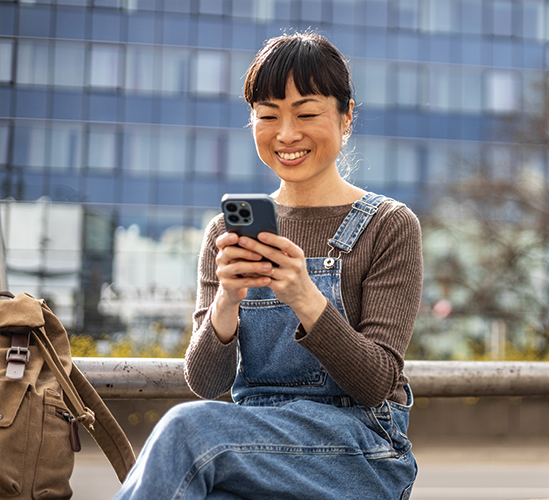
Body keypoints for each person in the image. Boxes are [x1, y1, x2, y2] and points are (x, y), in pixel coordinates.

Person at [113, 31, 423, 500]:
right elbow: (205, 382)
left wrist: (305, 297)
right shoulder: (226, 232)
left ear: (346, 118)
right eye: (268, 115)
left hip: (360, 449)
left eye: (306, 113)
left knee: (185, 430)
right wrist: (226, 302)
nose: (286, 134)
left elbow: (377, 381)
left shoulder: (389, 226)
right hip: (252, 443)